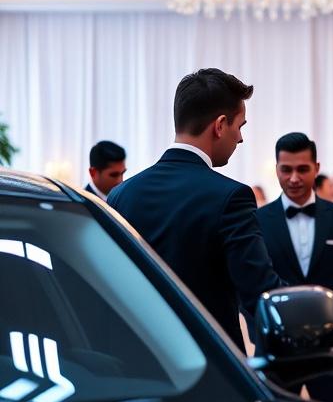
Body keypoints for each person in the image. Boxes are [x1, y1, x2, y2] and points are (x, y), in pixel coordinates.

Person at [107, 68, 282, 350]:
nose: (240, 138)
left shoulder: (120, 195)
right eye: (241, 126)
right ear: (220, 125)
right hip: (211, 366)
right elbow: (258, 291)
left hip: (137, 358)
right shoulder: (232, 197)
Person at [256, 132, 333, 402]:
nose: (294, 178)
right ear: (277, 169)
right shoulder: (257, 220)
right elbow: (250, 280)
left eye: (302, 169)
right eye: (286, 169)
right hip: (277, 348)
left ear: (316, 169)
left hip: (329, 348)